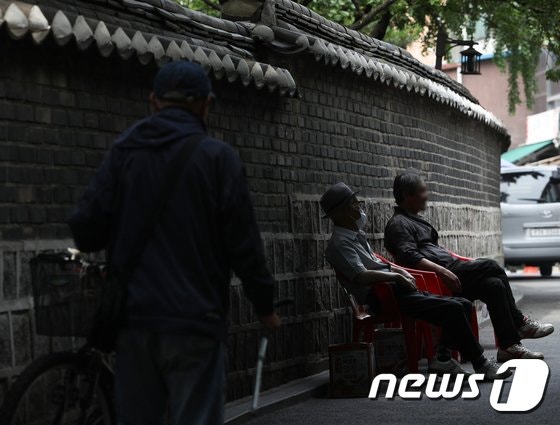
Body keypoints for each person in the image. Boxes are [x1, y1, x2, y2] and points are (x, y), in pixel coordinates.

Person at [69, 61, 281, 425]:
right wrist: (265, 305)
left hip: (135, 320)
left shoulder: (124, 152)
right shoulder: (218, 159)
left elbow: (86, 229)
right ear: (205, 104)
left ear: (154, 101)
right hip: (196, 321)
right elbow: (244, 244)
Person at [322, 182, 510, 380]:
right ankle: (482, 364)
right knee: (453, 309)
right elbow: (360, 276)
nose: (359, 207)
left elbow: (379, 263)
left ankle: (443, 359)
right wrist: (396, 276)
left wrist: (400, 272)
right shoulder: (340, 244)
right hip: (381, 296)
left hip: (395, 290)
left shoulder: (356, 236)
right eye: (353, 204)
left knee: (461, 303)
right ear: (340, 212)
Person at [385, 171, 554, 362]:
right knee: (491, 265)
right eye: (422, 191)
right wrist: (443, 271)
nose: (426, 196)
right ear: (407, 195)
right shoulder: (398, 224)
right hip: (437, 280)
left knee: (494, 285)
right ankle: (520, 323)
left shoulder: (414, 219)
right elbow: (409, 256)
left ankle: (508, 347)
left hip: (452, 271)